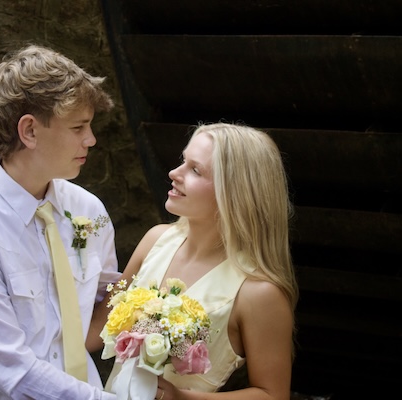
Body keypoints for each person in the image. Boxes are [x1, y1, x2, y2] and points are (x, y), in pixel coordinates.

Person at [0, 44, 120, 399]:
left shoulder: (88, 209)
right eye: (78, 127)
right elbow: (15, 372)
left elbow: (106, 306)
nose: (91, 139)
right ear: (29, 130)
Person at [89, 123, 298, 400]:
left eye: (195, 170)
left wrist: (180, 397)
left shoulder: (259, 293)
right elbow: (95, 330)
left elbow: (273, 395)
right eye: (182, 161)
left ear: (234, 192)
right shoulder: (155, 241)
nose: (174, 173)